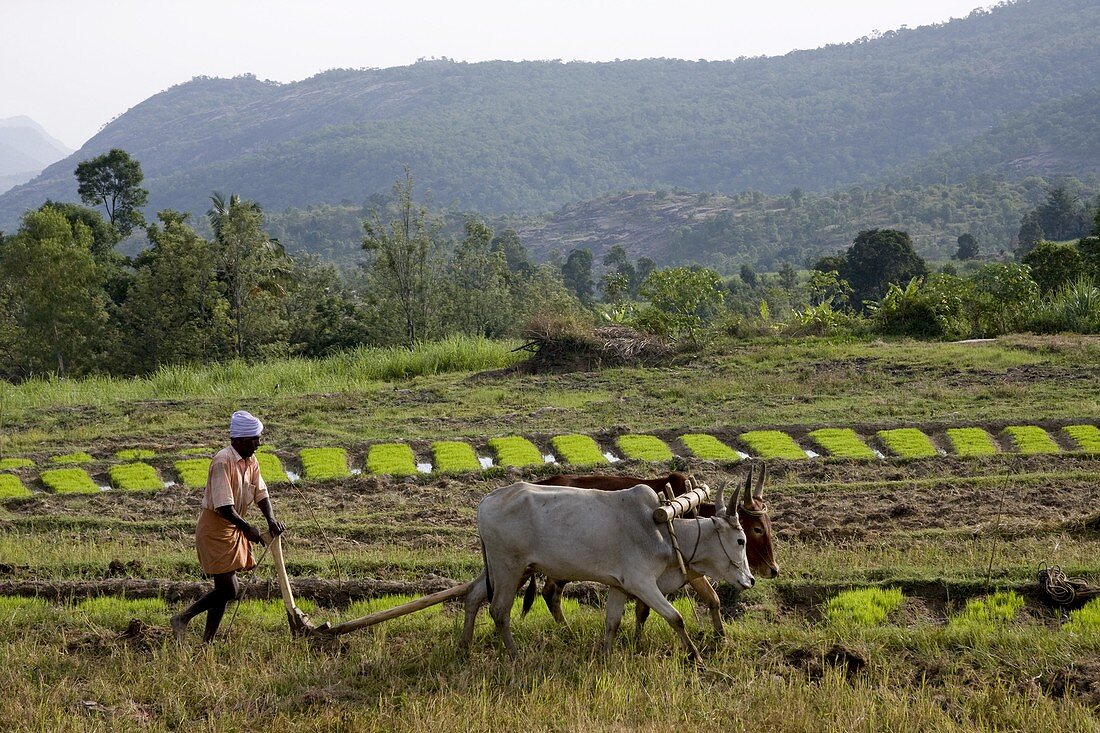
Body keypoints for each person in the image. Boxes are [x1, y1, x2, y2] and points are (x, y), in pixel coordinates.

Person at [171, 410, 285, 643]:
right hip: (215, 529)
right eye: (254, 439)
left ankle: (208, 640)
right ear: (240, 439)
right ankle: (182, 618)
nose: (258, 444)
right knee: (229, 590)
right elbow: (224, 507)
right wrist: (248, 529)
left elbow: (261, 493)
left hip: (232, 528)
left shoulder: (251, 461)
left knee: (222, 590)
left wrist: (270, 520)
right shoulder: (223, 461)